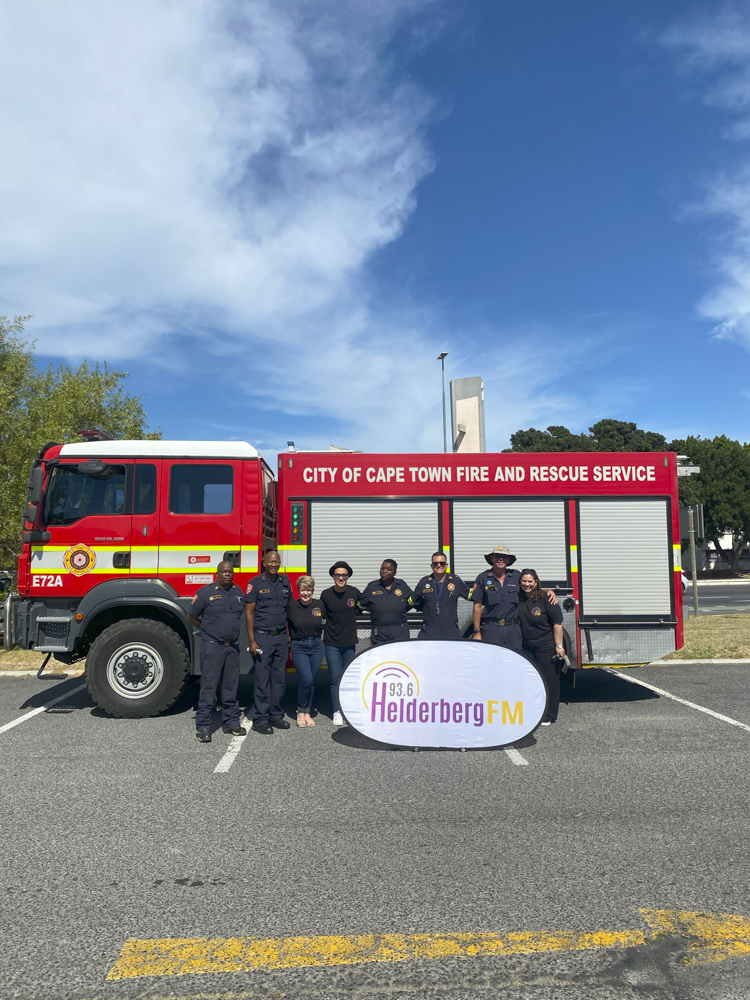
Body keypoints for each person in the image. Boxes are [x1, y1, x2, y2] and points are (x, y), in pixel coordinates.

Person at [188, 560, 247, 743]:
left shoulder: (238, 592)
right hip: (212, 646)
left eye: (230, 571)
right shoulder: (205, 593)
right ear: (217, 574)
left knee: (231, 686)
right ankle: (203, 726)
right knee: (209, 686)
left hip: (232, 647)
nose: (227, 574)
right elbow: (192, 617)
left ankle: (231, 723)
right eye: (224, 571)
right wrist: (207, 630)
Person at [472, 544, 557, 650]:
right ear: (492, 558)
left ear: (508, 560)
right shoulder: (483, 578)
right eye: (497, 556)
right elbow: (477, 606)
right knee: (493, 658)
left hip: (513, 629)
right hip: (492, 628)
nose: (501, 559)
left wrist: (548, 591)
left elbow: (528, 587)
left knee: (514, 657)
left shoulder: (516, 576)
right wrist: (477, 632)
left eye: (504, 557)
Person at [244, 549, 292, 735]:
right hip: (262, 637)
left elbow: (289, 611)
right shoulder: (255, 583)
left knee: (279, 679)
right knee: (262, 679)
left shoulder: (284, 582)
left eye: (276, 561)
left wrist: (288, 635)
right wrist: (252, 640)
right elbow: (249, 613)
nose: (273, 564)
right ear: (264, 563)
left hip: (280, 636)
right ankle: (261, 719)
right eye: (270, 561)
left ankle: (275, 714)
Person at [518, 568, 566, 726]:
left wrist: (559, 646)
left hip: (545, 646)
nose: (527, 584)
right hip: (526, 646)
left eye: (530, 581)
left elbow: (557, 623)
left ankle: (549, 715)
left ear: (536, 582)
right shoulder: (518, 598)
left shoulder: (546, 598)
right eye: (524, 581)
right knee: (530, 681)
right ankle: (534, 712)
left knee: (550, 680)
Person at [320, 561, 360, 726]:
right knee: (335, 678)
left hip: (349, 642)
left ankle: (348, 710)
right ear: (332, 576)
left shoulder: (354, 592)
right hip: (332, 643)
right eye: (338, 575)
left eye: (344, 575)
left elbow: (365, 606)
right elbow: (319, 615)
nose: (341, 578)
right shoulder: (326, 594)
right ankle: (337, 711)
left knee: (348, 678)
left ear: (348, 576)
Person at [287, 575, 324, 728]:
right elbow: (284, 623)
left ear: (313, 591)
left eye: (308, 590)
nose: (305, 593)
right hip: (299, 646)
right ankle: (300, 710)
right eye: (303, 590)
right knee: (306, 680)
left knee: (312, 681)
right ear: (298, 590)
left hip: (316, 645)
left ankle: (307, 712)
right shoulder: (292, 606)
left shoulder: (319, 605)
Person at [410, 552, 471, 639]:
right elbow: (412, 601)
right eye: (436, 563)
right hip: (429, 632)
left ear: (446, 565)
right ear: (431, 566)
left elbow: (472, 596)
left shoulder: (455, 581)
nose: (439, 565)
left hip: (451, 632)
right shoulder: (423, 583)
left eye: (442, 563)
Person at [359, 559, 412, 646]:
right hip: (379, 633)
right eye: (382, 568)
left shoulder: (402, 586)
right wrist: (375, 609)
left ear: (394, 572)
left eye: (388, 569)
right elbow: (361, 604)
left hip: (400, 631)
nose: (384, 571)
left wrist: (401, 609)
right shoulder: (372, 587)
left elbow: (412, 601)